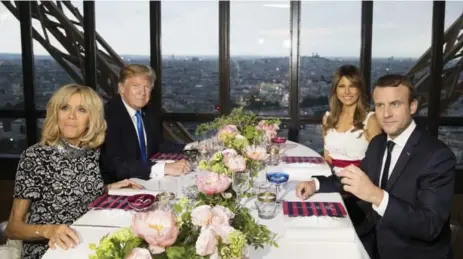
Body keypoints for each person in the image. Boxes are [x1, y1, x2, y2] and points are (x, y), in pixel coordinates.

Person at [296, 74, 456, 259]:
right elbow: (358, 179)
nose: (386, 114)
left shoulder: (437, 156)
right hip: (371, 243)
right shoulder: (379, 143)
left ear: (413, 106)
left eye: (395, 104)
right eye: (380, 105)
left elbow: (429, 226)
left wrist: (375, 195)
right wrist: (315, 184)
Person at [5, 84, 142, 259]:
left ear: (91, 119)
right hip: (50, 248)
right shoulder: (35, 156)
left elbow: (77, 195)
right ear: (56, 113)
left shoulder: (90, 152)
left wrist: (109, 189)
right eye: (65, 108)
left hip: (85, 237)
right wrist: (49, 230)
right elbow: (13, 228)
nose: (71, 116)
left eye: (81, 110)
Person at [100, 64, 190, 184]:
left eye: (147, 87)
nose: (142, 92)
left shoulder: (149, 111)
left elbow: (158, 145)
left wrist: (191, 148)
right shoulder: (108, 116)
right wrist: (163, 168)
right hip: (121, 185)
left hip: (147, 178)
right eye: (136, 86)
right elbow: (116, 166)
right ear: (121, 88)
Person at [322, 65, 382, 173]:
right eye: (341, 86)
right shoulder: (328, 118)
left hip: (358, 182)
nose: (347, 92)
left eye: (352, 86)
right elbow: (327, 158)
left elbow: (377, 162)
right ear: (335, 90)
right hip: (330, 181)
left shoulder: (371, 120)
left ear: (360, 89)